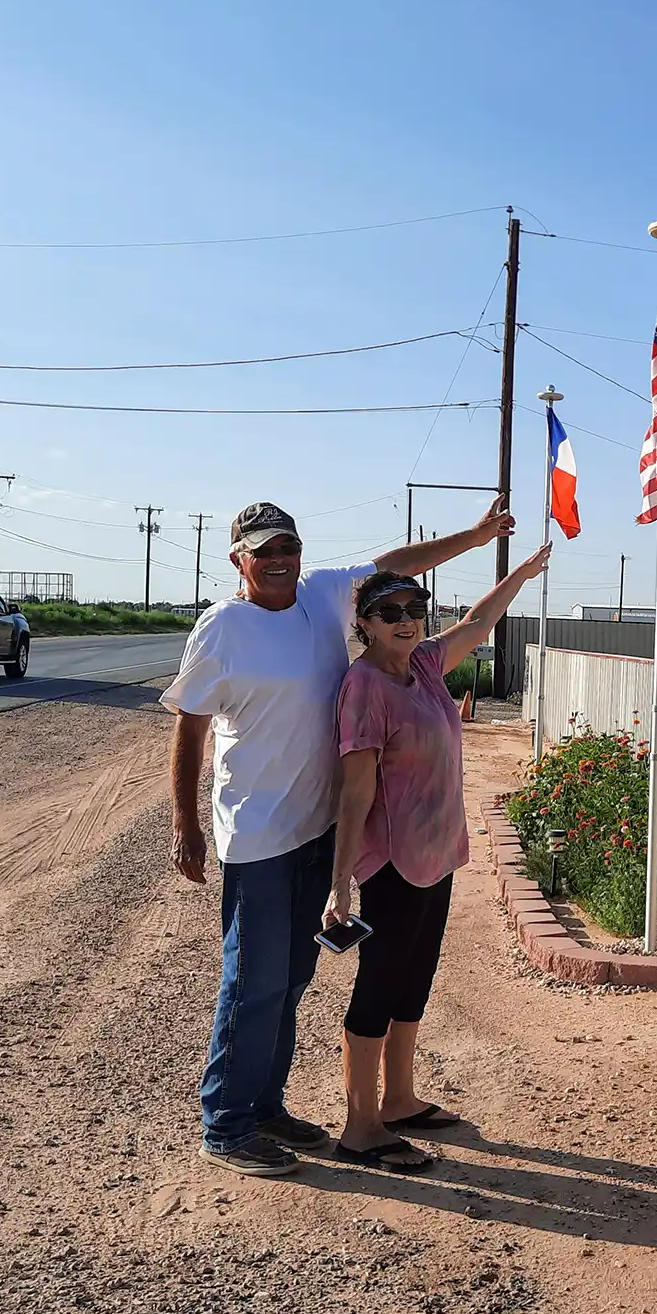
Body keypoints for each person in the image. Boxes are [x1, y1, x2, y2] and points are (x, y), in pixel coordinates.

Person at [163, 498, 514, 1178]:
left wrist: (476, 538)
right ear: (239, 558)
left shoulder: (324, 592)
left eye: (286, 546)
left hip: (318, 830)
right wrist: (186, 822)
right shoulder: (222, 628)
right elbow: (191, 724)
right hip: (259, 834)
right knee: (253, 982)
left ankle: (266, 1106)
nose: (277, 560)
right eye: (262, 550)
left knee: (292, 979)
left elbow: (400, 565)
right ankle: (226, 1125)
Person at [322, 542, 552, 1171]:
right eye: (388, 609)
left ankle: (399, 1100)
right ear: (363, 622)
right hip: (393, 862)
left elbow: (479, 623)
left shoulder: (423, 665)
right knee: (379, 981)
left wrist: (520, 576)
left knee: (415, 979)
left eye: (413, 606)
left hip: (438, 852)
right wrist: (340, 883)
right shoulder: (364, 686)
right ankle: (360, 1124)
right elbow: (357, 788)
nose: (405, 617)